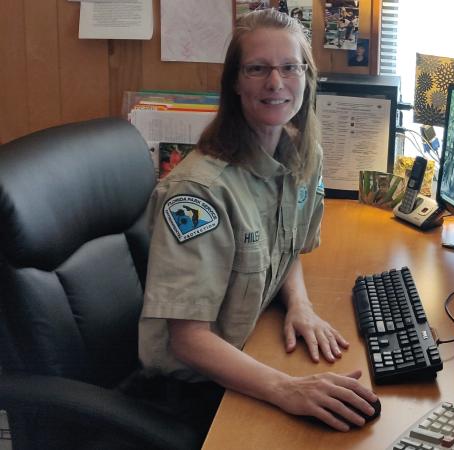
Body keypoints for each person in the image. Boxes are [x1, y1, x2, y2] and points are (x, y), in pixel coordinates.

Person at [135, 8, 378, 436]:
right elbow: (188, 339)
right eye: (257, 69)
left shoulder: (302, 154)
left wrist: (300, 306)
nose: (276, 82)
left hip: (252, 349)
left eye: (290, 67)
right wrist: (287, 388)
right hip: (194, 390)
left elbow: (284, 248)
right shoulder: (198, 194)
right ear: (234, 81)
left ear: (307, 77)